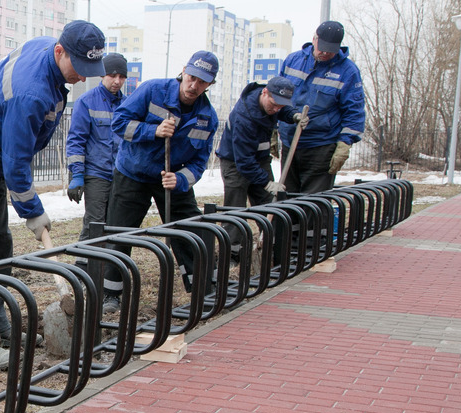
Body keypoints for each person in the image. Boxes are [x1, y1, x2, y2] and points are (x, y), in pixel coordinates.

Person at [0, 19, 107, 371]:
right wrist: (34, 212)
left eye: (89, 68)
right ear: (60, 51)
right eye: (79, 67)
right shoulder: (31, 92)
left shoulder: (48, 51)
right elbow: (15, 163)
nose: (83, 76)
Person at [101, 51, 221, 311]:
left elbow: (199, 163)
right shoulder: (153, 90)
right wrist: (152, 130)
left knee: (191, 229)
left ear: (209, 84)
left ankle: (204, 287)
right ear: (183, 71)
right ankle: (110, 293)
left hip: (171, 177)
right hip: (133, 172)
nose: (194, 86)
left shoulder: (207, 118)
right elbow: (119, 123)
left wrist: (180, 180)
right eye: (191, 78)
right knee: (119, 232)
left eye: (202, 82)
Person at [278, 20, 365, 193]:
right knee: (285, 201)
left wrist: (345, 143)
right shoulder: (293, 60)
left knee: (312, 205)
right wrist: (272, 127)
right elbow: (277, 96)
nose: (324, 52)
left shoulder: (348, 72)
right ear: (314, 39)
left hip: (321, 147)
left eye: (330, 50)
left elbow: (354, 112)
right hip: (290, 142)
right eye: (322, 47)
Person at [66, 53, 129, 248]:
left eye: (121, 77)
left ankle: (109, 271)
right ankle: (85, 268)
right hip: (96, 174)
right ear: (102, 75)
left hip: (120, 175)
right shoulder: (86, 101)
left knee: (117, 226)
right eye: (112, 76)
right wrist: (77, 175)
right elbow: (76, 140)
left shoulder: (128, 104)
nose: (117, 81)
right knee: (95, 224)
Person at [217, 76, 306, 208]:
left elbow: (282, 110)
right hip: (235, 163)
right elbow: (244, 161)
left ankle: (270, 228)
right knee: (235, 213)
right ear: (264, 92)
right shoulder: (244, 118)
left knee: (271, 207)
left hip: (260, 160)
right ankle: (233, 228)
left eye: (280, 106)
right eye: (274, 104)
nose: (276, 109)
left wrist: (294, 115)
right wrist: (267, 183)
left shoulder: (271, 104)